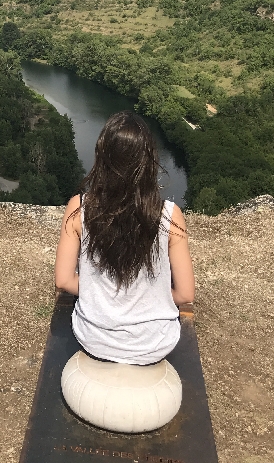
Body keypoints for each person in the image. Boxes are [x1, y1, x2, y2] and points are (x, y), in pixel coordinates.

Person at [55, 111, 195, 365]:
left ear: (102, 157)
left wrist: (99, 296)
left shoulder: (78, 208)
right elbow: (185, 294)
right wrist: (151, 299)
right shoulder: (170, 216)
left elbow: (64, 280)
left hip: (94, 339)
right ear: (149, 160)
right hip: (155, 343)